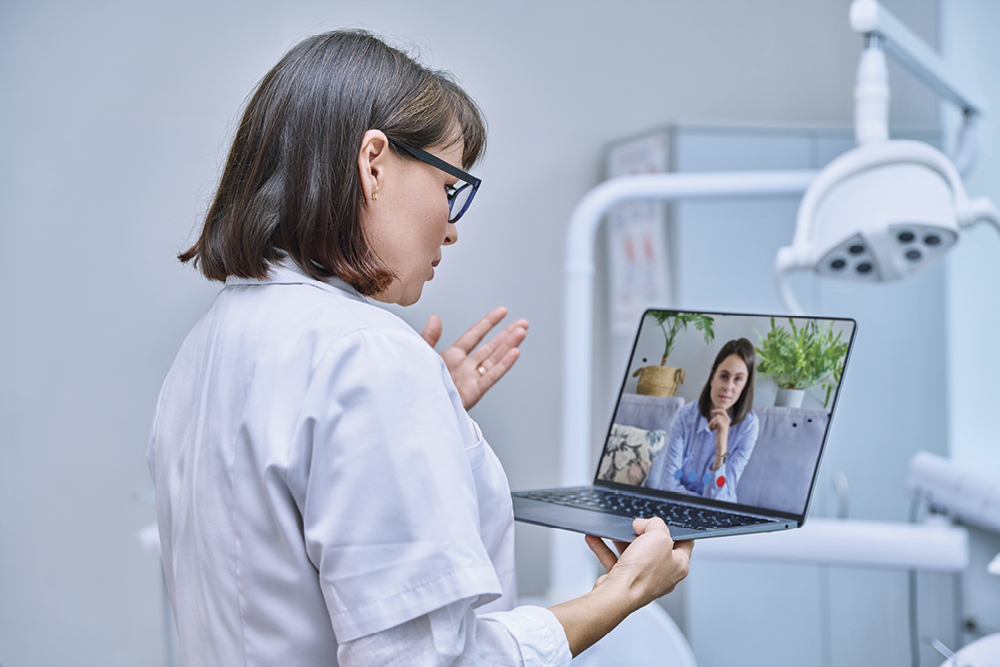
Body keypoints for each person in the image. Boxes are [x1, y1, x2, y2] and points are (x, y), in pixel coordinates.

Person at [147, 30, 692, 667]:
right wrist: (623, 592)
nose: (453, 228)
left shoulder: (211, 342)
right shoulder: (369, 357)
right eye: (449, 187)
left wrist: (430, 410)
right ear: (373, 162)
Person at [646, 338, 759, 503]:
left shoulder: (748, 427)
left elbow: (721, 501)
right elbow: (668, 486)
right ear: (713, 378)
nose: (729, 386)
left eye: (738, 379)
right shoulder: (685, 416)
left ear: (745, 386)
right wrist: (700, 501)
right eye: (724, 376)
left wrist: (721, 451)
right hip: (676, 508)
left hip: (718, 516)